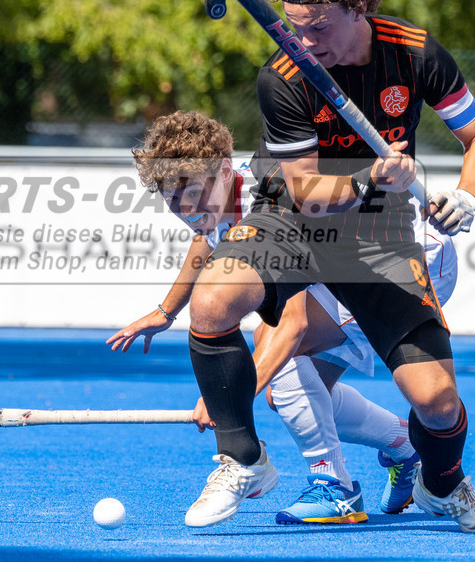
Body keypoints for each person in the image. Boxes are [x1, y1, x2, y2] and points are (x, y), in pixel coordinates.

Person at [172, 0, 475, 534]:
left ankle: (443, 485)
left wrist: (466, 196)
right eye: (295, 27)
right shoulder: (283, 76)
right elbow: (303, 189)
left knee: (436, 402)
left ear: (360, 9)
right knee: (214, 300)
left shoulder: (415, 53)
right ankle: (243, 459)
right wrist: (366, 177)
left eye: (319, 28)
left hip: (381, 234)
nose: (304, 43)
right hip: (294, 217)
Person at [109, 111, 455, 525]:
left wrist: (229, 401)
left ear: (223, 170)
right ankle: (403, 445)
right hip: (346, 262)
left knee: (278, 351)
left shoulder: (272, 199)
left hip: (404, 261)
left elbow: (292, 325)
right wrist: (167, 311)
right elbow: (209, 236)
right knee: (286, 394)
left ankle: (335, 488)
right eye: (172, 199)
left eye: (195, 194)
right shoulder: (219, 187)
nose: (186, 209)